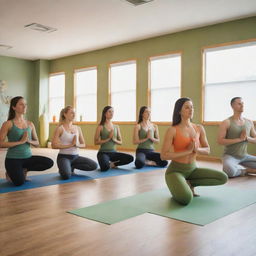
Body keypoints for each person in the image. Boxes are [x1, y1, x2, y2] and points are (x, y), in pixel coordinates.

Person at [161, 97, 227, 205]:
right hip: (175, 171)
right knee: (186, 199)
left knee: (222, 178)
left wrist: (197, 149)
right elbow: (163, 156)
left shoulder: (199, 128)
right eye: (187, 107)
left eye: (192, 107)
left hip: (192, 169)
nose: (191, 110)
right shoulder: (172, 130)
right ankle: (181, 185)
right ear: (179, 111)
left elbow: (208, 149)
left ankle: (189, 183)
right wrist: (188, 151)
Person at [0, 96, 54, 186]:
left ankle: (25, 169)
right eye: (21, 104)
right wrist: (20, 142)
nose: (24, 106)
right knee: (19, 182)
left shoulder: (30, 124)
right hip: (13, 159)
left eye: (25, 104)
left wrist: (29, 141)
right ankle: (9, 172)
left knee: (49, 162)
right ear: (14, 107)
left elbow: (37, 144)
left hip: (27, 158)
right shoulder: (8, 124)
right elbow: (1, 143)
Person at [52, 106, 97, 179]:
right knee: (66, 176)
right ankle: (65, 169)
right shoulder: (60, 128)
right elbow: (53, 145)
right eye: (71, 113)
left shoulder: (78, 128)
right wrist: (70, 145)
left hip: (76, 157)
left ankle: (71, 166)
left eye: (74, 113)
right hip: (63, 157)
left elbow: (83, 144)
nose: (74, 115)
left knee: (94, 165)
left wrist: (77, 144)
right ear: (65, 114)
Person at [217, 97, 256, 177]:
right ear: (232, 106)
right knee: (229, 171)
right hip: (230, 156)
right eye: (239, 103)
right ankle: (245, 171)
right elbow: (220, 141)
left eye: (243, 103)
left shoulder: (249, 122)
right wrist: (239, 139)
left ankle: (240, 168)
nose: (242, 105)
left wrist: (247, 139)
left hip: (245, 156)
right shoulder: (226, 122)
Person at [94, 106, 134, 171]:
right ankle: (107, 164)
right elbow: (96, 142)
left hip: (113, 153)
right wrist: (108, 138)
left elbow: (120, 142)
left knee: (130, 158)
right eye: (109, 112)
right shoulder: (100, 126)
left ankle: (113, 164)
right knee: (104, 168)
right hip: (103, 153)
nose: (111, 113)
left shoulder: (116, 127)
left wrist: (114, 139)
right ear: (105, 114)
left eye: (112, 112)